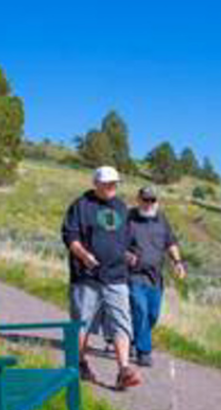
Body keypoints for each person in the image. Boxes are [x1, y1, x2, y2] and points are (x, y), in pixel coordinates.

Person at [61, 166, 142, 390]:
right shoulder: (81, 205)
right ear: (96, 183)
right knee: (82, 322)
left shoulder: (121, 207)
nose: (111, 187)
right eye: (107, 183)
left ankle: (124, 370)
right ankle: (79, 363)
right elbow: (70, 236)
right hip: (87, 275)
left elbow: (128, 238)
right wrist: (84, 255)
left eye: (114, 183)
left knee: (121, 322)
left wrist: (131, 254)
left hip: (117, 276)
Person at [127, 185, 186, 367]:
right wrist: (125, 254)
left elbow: (170, 242)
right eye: (146, 200)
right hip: (134, 275)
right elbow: (115, 242)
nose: (149, 203)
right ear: (138, 200)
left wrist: (178, 262)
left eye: (152, 200)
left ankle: (131, 338)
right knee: (140, 309)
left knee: (153, 315)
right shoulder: (128, 218)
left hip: (155, 277)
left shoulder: (161, 219)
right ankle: (144, 352)